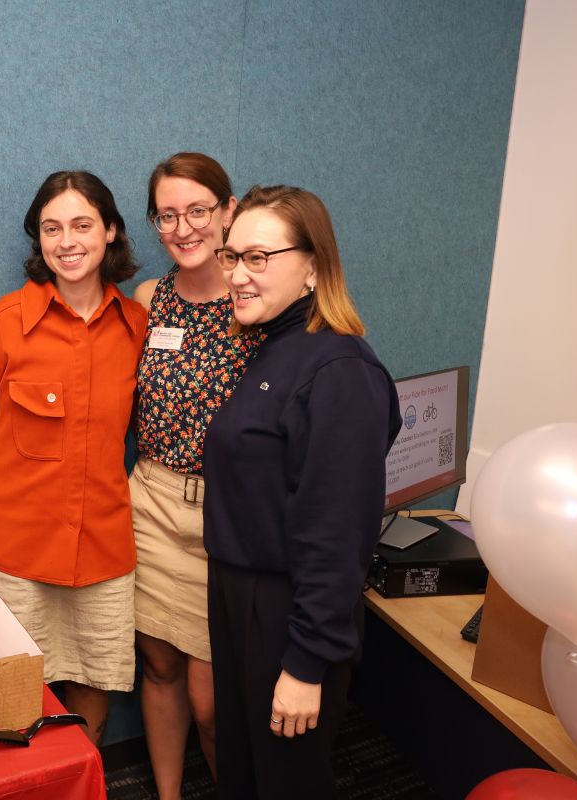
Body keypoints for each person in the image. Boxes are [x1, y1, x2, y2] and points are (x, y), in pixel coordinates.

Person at [0, 171, 147, 745]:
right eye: (52, 228)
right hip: (14, 551)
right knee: (9, 695)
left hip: (101, 550)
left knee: (93, 679)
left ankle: (78, 772)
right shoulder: (4, 325)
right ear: (39, 240)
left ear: (110, 232)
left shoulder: (137, 329)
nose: (67, 241)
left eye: (82, 225)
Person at [203, 185, 402, 798]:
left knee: (286, 782)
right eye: (231, 257)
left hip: (287, 612)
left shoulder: (339, 371)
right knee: (244, 771)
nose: (238, 274)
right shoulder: (273, 352)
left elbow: (337, 535)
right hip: (240, 598)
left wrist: (306, 662)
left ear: (313, 267)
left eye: (258, 257)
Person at [129, 152, 263, 796]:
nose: (184, 229)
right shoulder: (148, 299)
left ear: (229, 211)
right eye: (167, 216)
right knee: (157, 667)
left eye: (199, 211)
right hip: (151, 502)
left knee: (212, 702)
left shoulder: (255, 303)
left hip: (227, 518)